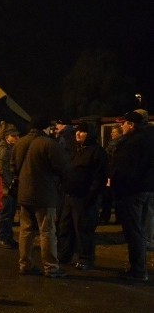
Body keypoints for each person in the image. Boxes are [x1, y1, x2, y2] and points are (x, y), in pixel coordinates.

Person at [13, 113, 71, 278]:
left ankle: (24, 264)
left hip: (24, 193)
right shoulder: (49, 144)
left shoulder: (20, 143)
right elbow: (62, 167)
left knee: (25, 230)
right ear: (45, 127)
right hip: (45, 194)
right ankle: (51, 267)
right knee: (47, 232)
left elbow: (14, 167)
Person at [110, 110, 154, 281]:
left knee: (134, 231)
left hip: (132, 191)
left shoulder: (133, 142)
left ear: (132, 125)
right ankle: (139, 267)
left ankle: (138, 270)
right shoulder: (148, 139)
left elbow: (125, 168)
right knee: (141, 229)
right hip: (147, 189)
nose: (122, 126)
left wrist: (117, 184)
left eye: (124, 123)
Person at [57, 122, 108, 270]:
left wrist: (91, 195)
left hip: (85, 197)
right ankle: (65, 254)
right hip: (70, 195)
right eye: (77, 131)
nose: (78, 134)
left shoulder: (97, 152)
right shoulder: (76, 150)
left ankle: (86, 258)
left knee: (84, 228)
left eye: (82, 132)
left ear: (90, 134)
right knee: (65, 227)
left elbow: (100, 177)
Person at [0, 125, 21, 249]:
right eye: (13, 136)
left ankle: (7, 237)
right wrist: (8, 185)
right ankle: (2, 238)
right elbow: (1, 170)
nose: (17, 138)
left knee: (9, 213)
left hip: (8, 186)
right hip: (5, 187)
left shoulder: (9, 148)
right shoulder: (4, 150)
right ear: (7, 137)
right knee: (5, 213)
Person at [101, 125, 123, 223]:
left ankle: (107, 217)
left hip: (114, 174)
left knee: (110, 196)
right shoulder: (112, 144)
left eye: (114, 132)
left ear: (120, 133)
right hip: (111, 173)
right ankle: (114, 217)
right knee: (109, 196)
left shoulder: (118, 145)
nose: (111, 134)